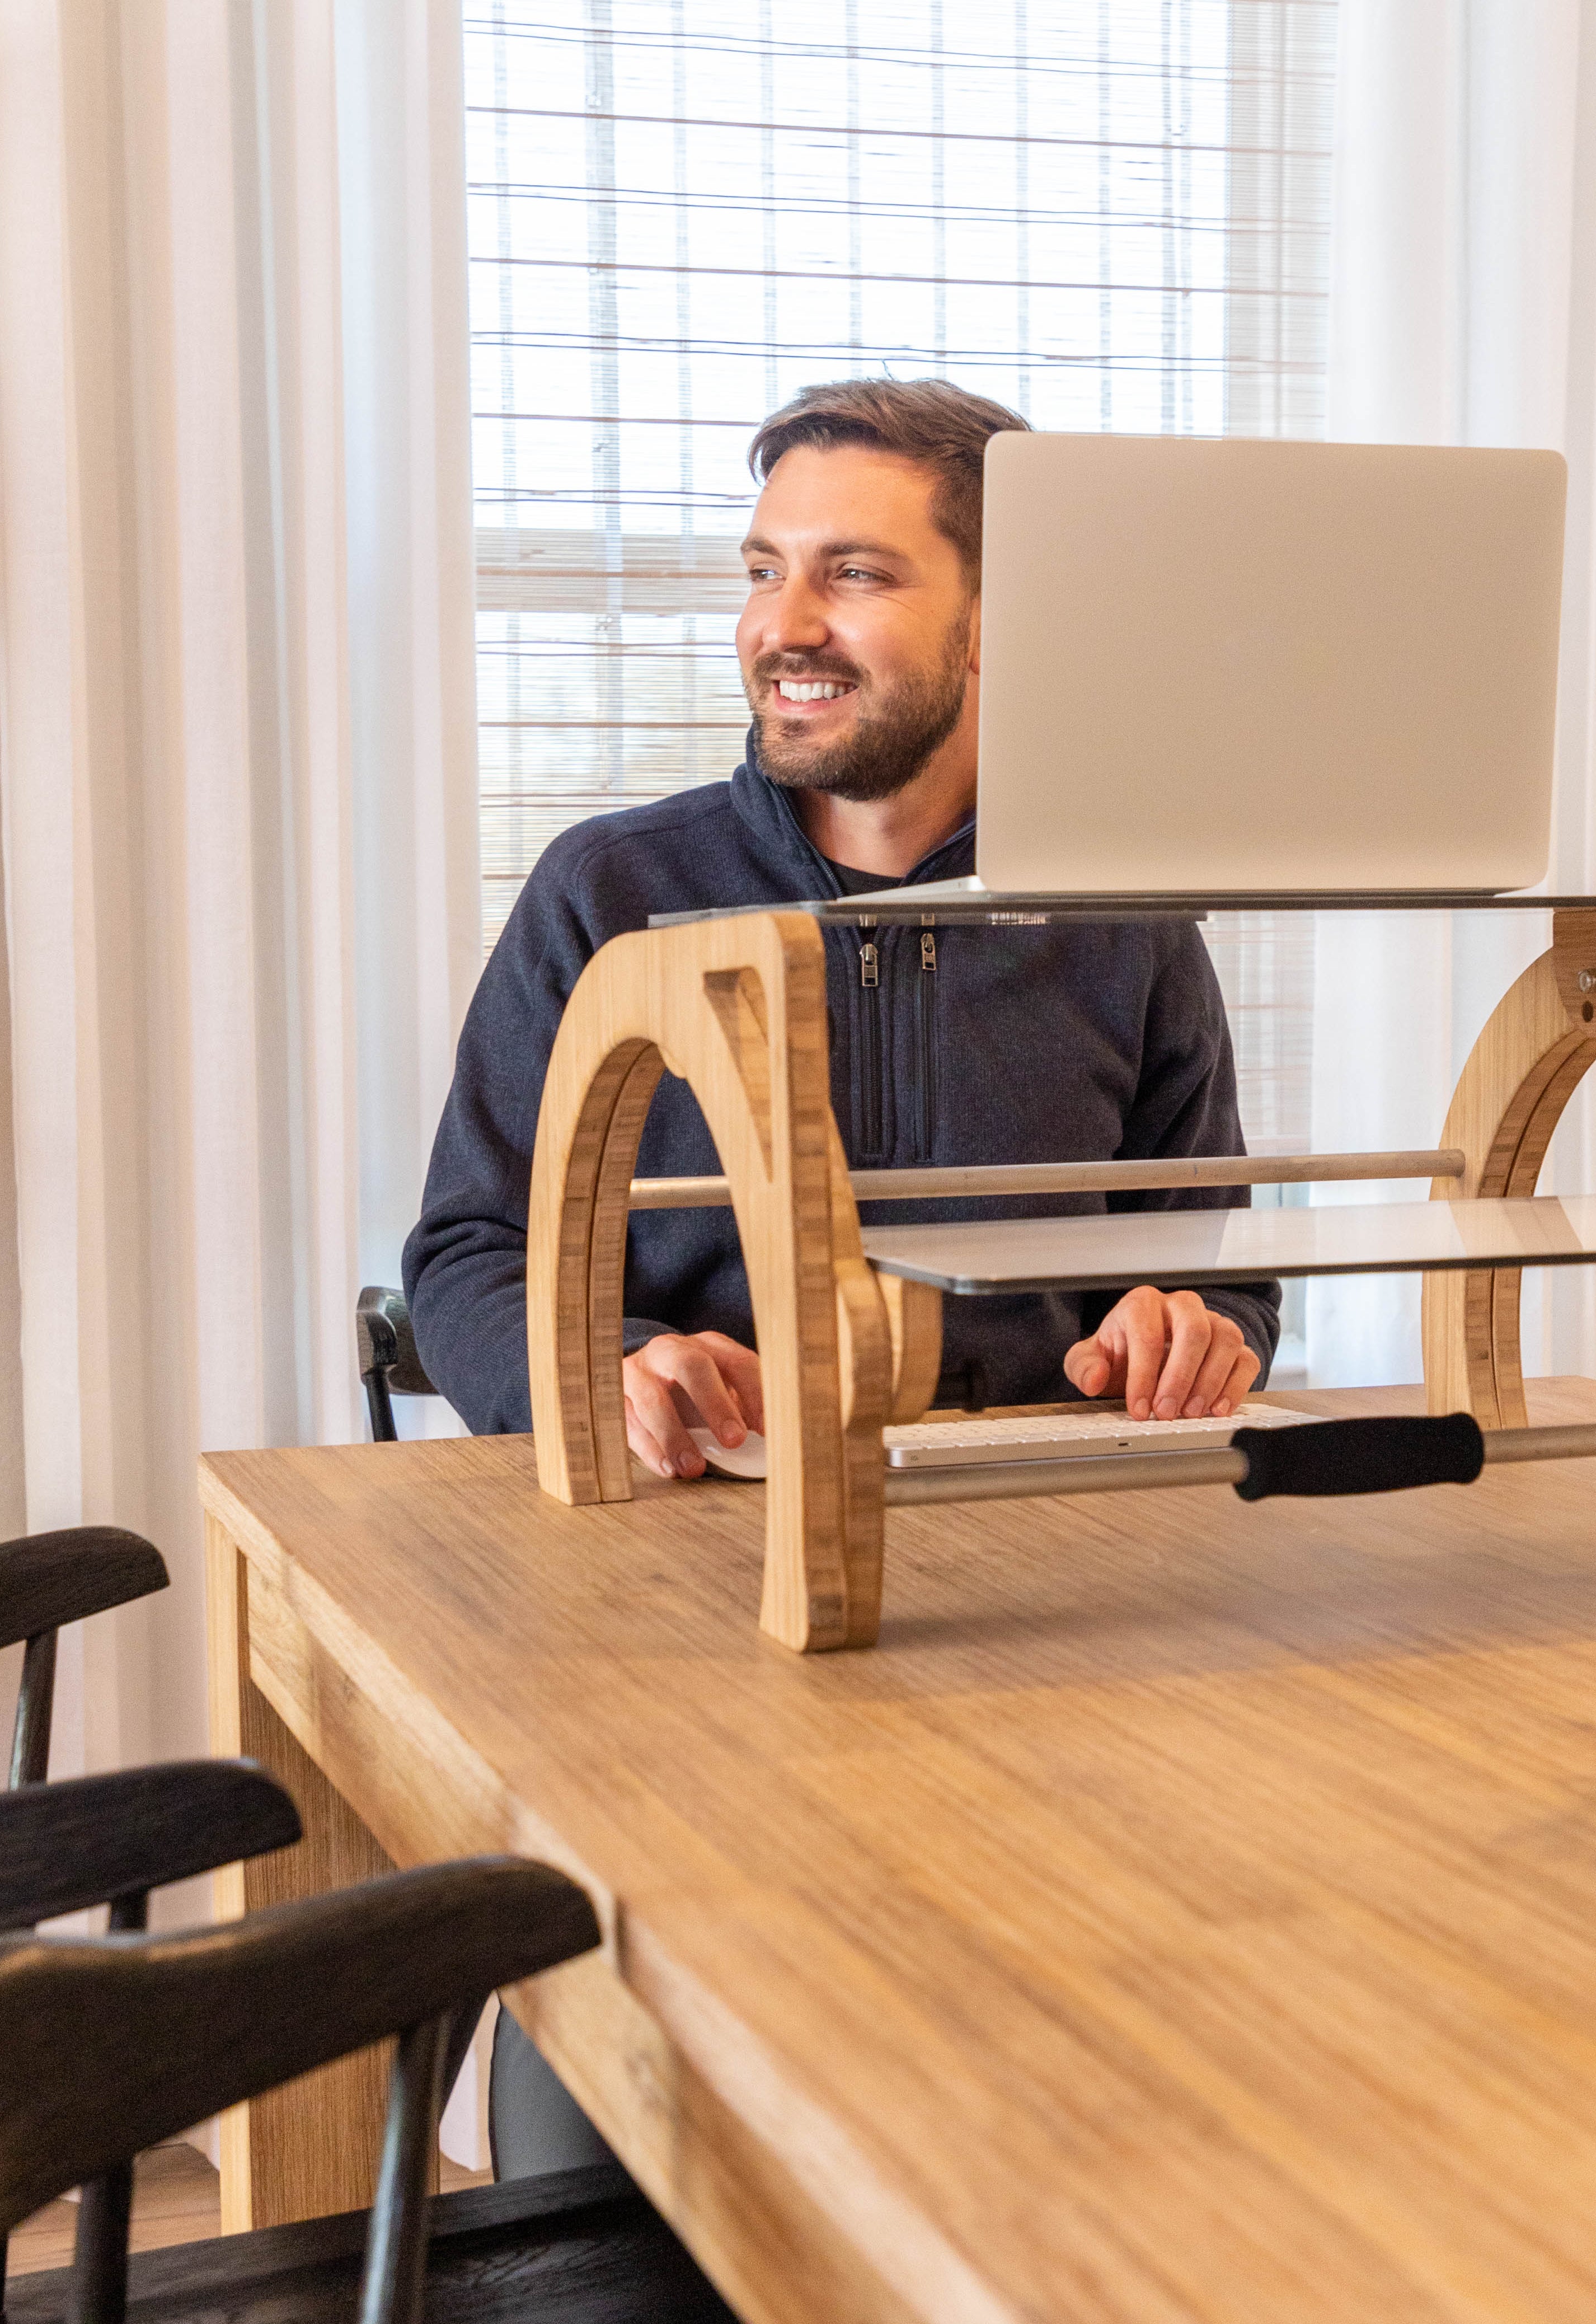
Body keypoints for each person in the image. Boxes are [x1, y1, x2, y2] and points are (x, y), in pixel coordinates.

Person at [404, 377, 1282, 2174]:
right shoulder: (608, 894)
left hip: (1050, 1633)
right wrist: (608, 1358)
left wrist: (1193, 1332)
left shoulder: (1127, 920)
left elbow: (1215, 1278)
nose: (783, 625)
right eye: (764, 569)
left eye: (855, 574)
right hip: (682, 1621)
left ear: (1000, 618)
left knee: (1112, 2119)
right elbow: (469, 1251)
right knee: (620, 2186)